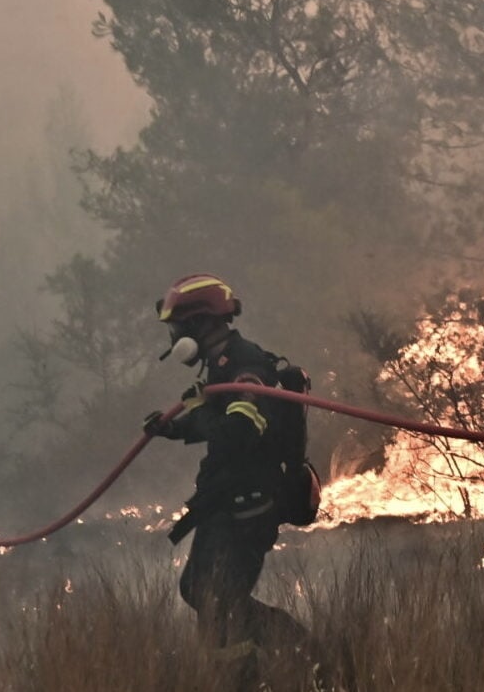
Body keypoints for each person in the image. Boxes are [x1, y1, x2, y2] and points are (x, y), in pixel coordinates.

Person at [142, 273, 313, 688]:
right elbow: (218, 417)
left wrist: (198, 416)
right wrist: (175, 428)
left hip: (249, 504)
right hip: (228, 499)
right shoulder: (223, 365)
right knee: (198, 590)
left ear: (200, 324)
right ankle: (278, 657)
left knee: (218, 601)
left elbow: (239, 430)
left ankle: (284, 662)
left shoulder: (244, 365)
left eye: (178, 327)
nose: (174, 336)